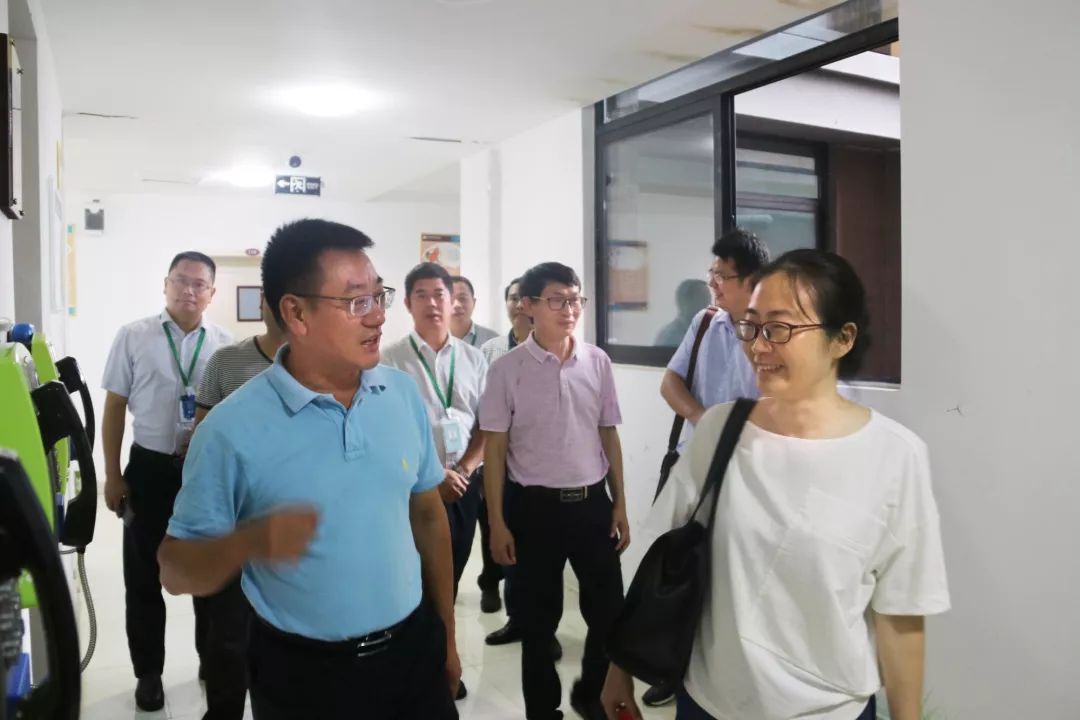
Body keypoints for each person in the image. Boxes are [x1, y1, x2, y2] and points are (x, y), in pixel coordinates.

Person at [601, 249, 950, 720]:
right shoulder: (721, 429)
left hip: (830, 710)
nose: (758, 346)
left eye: (779, 328)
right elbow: (657, 554)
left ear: (842, 338)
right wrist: (618, 667)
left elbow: (901, 614)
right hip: (709, 704)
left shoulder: (895, 456)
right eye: (751, 326)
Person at [157, 219, 461, 720]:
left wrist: (446, 634)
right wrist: (249, 541)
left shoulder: (401, 395)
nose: (377, 317)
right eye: (356, 301)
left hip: (413, 651)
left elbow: (428, 515)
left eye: (378, 295)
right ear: (295, 313)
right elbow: (173, 570)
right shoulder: (231, 429)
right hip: (303, 674)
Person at [482, 262, 629, 720]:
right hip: (533, 510)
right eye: (557, 301)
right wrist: (497, 523)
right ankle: (542, 712)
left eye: (575, 300)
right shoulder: (506, 369)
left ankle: (592, 696)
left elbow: (608, 433)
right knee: (537, 624)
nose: (569, 310)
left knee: (608, 614)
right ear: (528, 307)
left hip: (591, 505)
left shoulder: (597, 361)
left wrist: (620, 503)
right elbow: (495, 449)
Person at [101, 251, 232, 712]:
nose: (188, 290)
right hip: (149, 470)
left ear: (212, 293)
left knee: (208, 575)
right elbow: (114, 407)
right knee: (143, 576)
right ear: (165, 284)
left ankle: (210, 660)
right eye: (180, 281)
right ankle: (149, 674)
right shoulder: (134, 335)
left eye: (199, 284)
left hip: (204, 473)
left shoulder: (225, 345)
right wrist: (112, 474)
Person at [644, 228, 769, 708]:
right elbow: (670, 382)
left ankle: (729, 672)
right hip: (697, 470)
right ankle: (672, 666)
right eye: (711, 273)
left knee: (734, 580)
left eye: (722, 275)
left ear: (751, 280)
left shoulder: (770, 333)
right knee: (683, 572)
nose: (712, 283)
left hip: (750, 476)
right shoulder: (704, 323)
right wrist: (703, 420)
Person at [381, 262, 488, 701]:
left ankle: (442, 662)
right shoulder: (389, 361)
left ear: (453, 300)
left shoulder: (475, 359)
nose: (432, 303)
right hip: (414, 491)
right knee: (415, 581)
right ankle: (420, 671)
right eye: (421, 295)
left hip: (464, 486)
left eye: (440, 294)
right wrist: (432, 475)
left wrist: (464, 469)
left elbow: (488, 426)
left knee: (449, 580)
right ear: (408, 304)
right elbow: (388, 432)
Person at [188, 293, 285, 720]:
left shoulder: (324, 366)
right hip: (235, 522)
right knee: (228, 633)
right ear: (265, 304)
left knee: (285, 637)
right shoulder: (226, 362)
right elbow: (203, 436)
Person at [654, 279, 711, 347]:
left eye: (709, 299)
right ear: (684, 302)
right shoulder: (671, 337)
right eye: (703, 299)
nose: (708, 305)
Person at [450, 275, 499, 347]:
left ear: (473, 302)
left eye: (462, 298)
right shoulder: (433, 340)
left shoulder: (493, 340)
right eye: (450, 299)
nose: (457, 305)